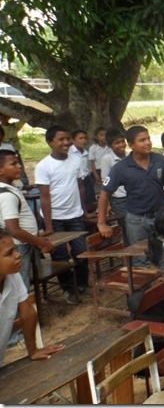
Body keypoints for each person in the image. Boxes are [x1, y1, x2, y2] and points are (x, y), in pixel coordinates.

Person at [97, 126, 164, 267]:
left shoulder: (160, 160)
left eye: (149, 139)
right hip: (137, 221)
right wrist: (102, 222)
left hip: (160, 217)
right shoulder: (121, 168)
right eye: (142, 140)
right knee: (141, 258)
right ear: (131, 145)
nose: (148, 143)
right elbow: (104, 193)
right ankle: (144, 289)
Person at [35, 124, 91, 304]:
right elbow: (44, 197)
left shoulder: (75, 160)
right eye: (61, 139)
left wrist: (84, 210)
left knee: (81, 252)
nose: (66, 142)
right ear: (50, 142)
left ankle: (82, 284)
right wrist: (49, 225)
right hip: (55, 219)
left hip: (75, 215)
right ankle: (68, 289)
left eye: (68, 138)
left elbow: (80, 186)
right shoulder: (44, 166)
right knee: (60, 256)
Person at [0, 231, 65, 367]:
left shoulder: (12, 276)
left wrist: (33, 350)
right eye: (9, 253)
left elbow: (27, 313)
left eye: (15, 250)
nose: (17, 255)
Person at [0, 150, 54, 288]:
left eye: (18, 162)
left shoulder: (9, 189)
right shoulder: (7, 196)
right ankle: (23, 308)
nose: (19, 166)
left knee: (24, 282)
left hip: (25, 242)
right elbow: (14, 230)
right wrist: (41, 242)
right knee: (21, 286)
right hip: (21, 245)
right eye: (13, 164)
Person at [99, 128, 129, 243]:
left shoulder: (130, 155)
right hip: (119, 199)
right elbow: (105, 181)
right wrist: (108, 204)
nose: (121, 144)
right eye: (117, 143)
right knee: (127, 227)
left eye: (122, 141)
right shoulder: (107, 159)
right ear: (110, 146)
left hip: (132, 196)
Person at [69, 129, 95, 211]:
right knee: (78, 201)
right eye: (80, 138)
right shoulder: (69, 152)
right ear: (73, 140)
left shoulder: (85, 152)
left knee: (90, 200)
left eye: (85, 138)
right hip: (75, 179)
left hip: (86, 178)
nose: (83, 140)